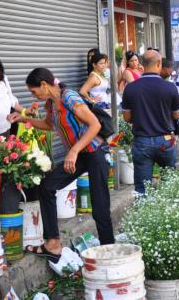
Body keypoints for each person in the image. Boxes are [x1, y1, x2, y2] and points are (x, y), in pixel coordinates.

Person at [8, 68, 114, 261]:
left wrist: (73, 151)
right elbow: (49, 125)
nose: (34, 95)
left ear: (44, 85)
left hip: (95, 152)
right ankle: (53, 243)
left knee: (99, 206)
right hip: (80, 155)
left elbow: (95, 125)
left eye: (34, 91)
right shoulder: (50, 103)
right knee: (47, 186)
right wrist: (24, 119)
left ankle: (110, 254)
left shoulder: (70, 98)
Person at [122, 50, 179, 195]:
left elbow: (127, 117)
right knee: (170, 185)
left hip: (142, 141)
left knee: (142, 189)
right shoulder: (170, 87)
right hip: (165, 140)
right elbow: (176, 114)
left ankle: (143, 212)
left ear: (142, 64)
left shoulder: (131, 88)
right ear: (159, 64)